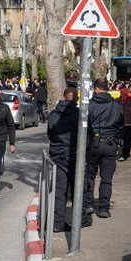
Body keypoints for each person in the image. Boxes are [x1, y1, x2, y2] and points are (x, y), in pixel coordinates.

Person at [83, 78, 123, 220]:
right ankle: (104, 208)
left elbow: (84, 124)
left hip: (93, 144)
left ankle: (88, 204)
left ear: (95, 89)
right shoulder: (116, 105)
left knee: (89, 175)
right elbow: (120, 124)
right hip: (110, 144)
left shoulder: (89, 105)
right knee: (107, 178)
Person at [47, 87, 79, 232]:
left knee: (60, 190)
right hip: (73, 154)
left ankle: (57, 222)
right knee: (77, 189)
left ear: (64, 97)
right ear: (76, 98)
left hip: (57, 155)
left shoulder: (53, 114)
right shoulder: (79, 115)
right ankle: (79, 220)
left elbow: (50, 133)